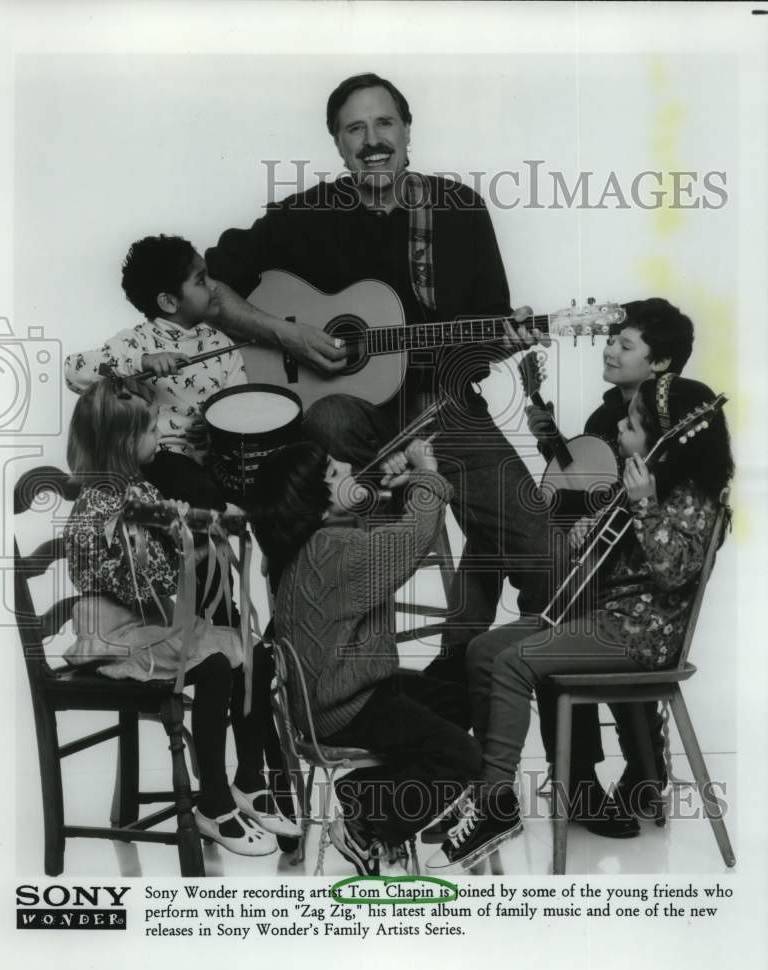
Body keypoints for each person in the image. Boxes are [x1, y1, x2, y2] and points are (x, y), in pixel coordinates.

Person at [206, 71, 555, 677]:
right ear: (338, 144)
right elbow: (209, 289)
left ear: (408, 130)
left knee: (549, 558)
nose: (373, 140)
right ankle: (366, 637)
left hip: (443, 406)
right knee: (329, 415)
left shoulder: (460, 212)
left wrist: (505, 341)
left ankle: (462, 680)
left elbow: (484, 333)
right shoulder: (304, 216)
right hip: (349, 427)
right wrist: (287, 335)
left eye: (385, 123)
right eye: (355, 128)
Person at [424, 374, 733, 871]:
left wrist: (643, 504)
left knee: (514, 664)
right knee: (483, 651)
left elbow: (674, 573)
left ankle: (494, 804)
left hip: (642, 637)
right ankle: (486, 789)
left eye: (633, 424)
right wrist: (583, 533)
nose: (620, 427)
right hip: (602, 618)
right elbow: (605, 562)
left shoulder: (694, 499)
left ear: (663, 441)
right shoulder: (634, 481)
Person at [62, 377, 282, 855]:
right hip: (121, 633)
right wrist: (193, 546)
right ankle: (213, 802)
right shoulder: (105, 509)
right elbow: (154, 587)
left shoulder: (134, 489)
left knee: (254, 653)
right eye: (150, 429)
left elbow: (169, 533)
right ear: (124, 442)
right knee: (217, 665)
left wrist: (207, 523)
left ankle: (249, 779)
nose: (159, 435)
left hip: (155, 622)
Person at [247, 437, 482, 874]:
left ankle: (364, 789)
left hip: (338, 695)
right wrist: (427, 474)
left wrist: (403, 489)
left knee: (458, 700)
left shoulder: (315, 545)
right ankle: (367, 823)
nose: (348, 463)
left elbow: (381, 545)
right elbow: (413, 540)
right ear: (315, 508)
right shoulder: (335, 551)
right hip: (347, 706)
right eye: (334, 472)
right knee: (462, 756)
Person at [527, 299, 695, 814]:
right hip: (599, 562)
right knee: (548, 602)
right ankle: (577, 774)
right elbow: (590, 483)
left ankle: (641, 769)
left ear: (660, 362)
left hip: (641, 578)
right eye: (609, 340)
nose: (609, 350)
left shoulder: (675, 422)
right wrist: (549, 440)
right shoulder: (604, 416)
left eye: (625, 344)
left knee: (566, 615)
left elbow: (663, 512)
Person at [64, 233, 248, 511]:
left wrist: (216, 429)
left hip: (214, 463)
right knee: (184, 479)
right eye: (201, 280)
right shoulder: (137, 343)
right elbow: (74, 371)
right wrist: (141, 362)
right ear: (169, 302)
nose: (213, 286)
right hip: (159, 461)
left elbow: (240, 410)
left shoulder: (222, 344)